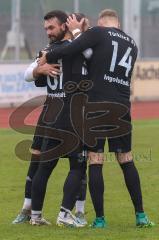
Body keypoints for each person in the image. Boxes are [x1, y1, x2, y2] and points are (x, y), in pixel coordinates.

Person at [40, 9, 155, 228]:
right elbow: (95, 56)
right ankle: (141, 215)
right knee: (126, 160)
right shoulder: (132, 43)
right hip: (121, 105)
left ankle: (100, 219)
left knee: (96, 160)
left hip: (97, 103)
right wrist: (81, 33)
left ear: (101, 23)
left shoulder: (98, 33)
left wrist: (51, 54)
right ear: (118, 23)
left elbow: (74, 49)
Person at [12, 10, 89, 226]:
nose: (48, 32)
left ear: (63, 26)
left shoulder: (49, 52)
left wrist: (40, 66)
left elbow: (34, 76)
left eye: (51, 28)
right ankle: (67, 214)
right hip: (69, 116)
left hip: (51, 116)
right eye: (46, 28)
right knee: (78, 166)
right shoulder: (74, 50)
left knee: (44, 168)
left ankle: (35, 216)